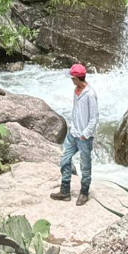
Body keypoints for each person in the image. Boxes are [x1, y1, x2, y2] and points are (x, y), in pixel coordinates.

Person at [54, 63, 98, 205]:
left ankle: (84, 193)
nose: (71, 80)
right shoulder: (76, 90)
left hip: (84, 137)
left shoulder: (90, 94)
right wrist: (73, 129)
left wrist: (85, 134)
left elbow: (94, 118)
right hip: (73, 134)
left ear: (78, 78)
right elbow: (76, 112)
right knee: (65, 159)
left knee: (85, 166)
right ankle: (65, 191)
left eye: (73, 78)